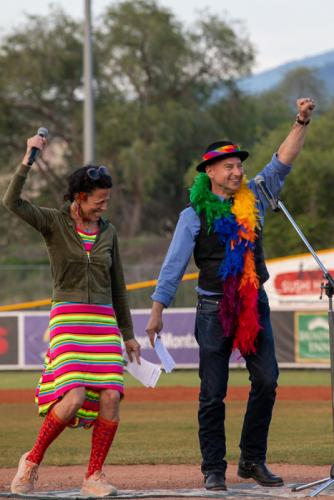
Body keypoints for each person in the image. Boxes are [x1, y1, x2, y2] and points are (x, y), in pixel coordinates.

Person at [146, 98, 315, 491]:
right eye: (230, 166)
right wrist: (157, 311)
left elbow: (282, 161)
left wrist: (301, 122)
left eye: (240, 165)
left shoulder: (254, 197)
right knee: (212, 392)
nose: (239, 171)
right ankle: (213, 468)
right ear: (210, 172)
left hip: (253, 304)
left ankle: (252, 460)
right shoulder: (193, 214)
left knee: (268, 381)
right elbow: (173, 266)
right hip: (211, 308)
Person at [3, 134, 141, 497]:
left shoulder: (109, 232)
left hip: (103, 323)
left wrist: (127, 333)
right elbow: (11, 201)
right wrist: (28, 158)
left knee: (111, 396)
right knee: (74, 397)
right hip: (68, 318)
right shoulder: (53, 222)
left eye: (106, 201)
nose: (103, 207)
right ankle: (31, 463)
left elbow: (119, 286)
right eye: (98, 201)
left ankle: (93, 477)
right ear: (80, 197)